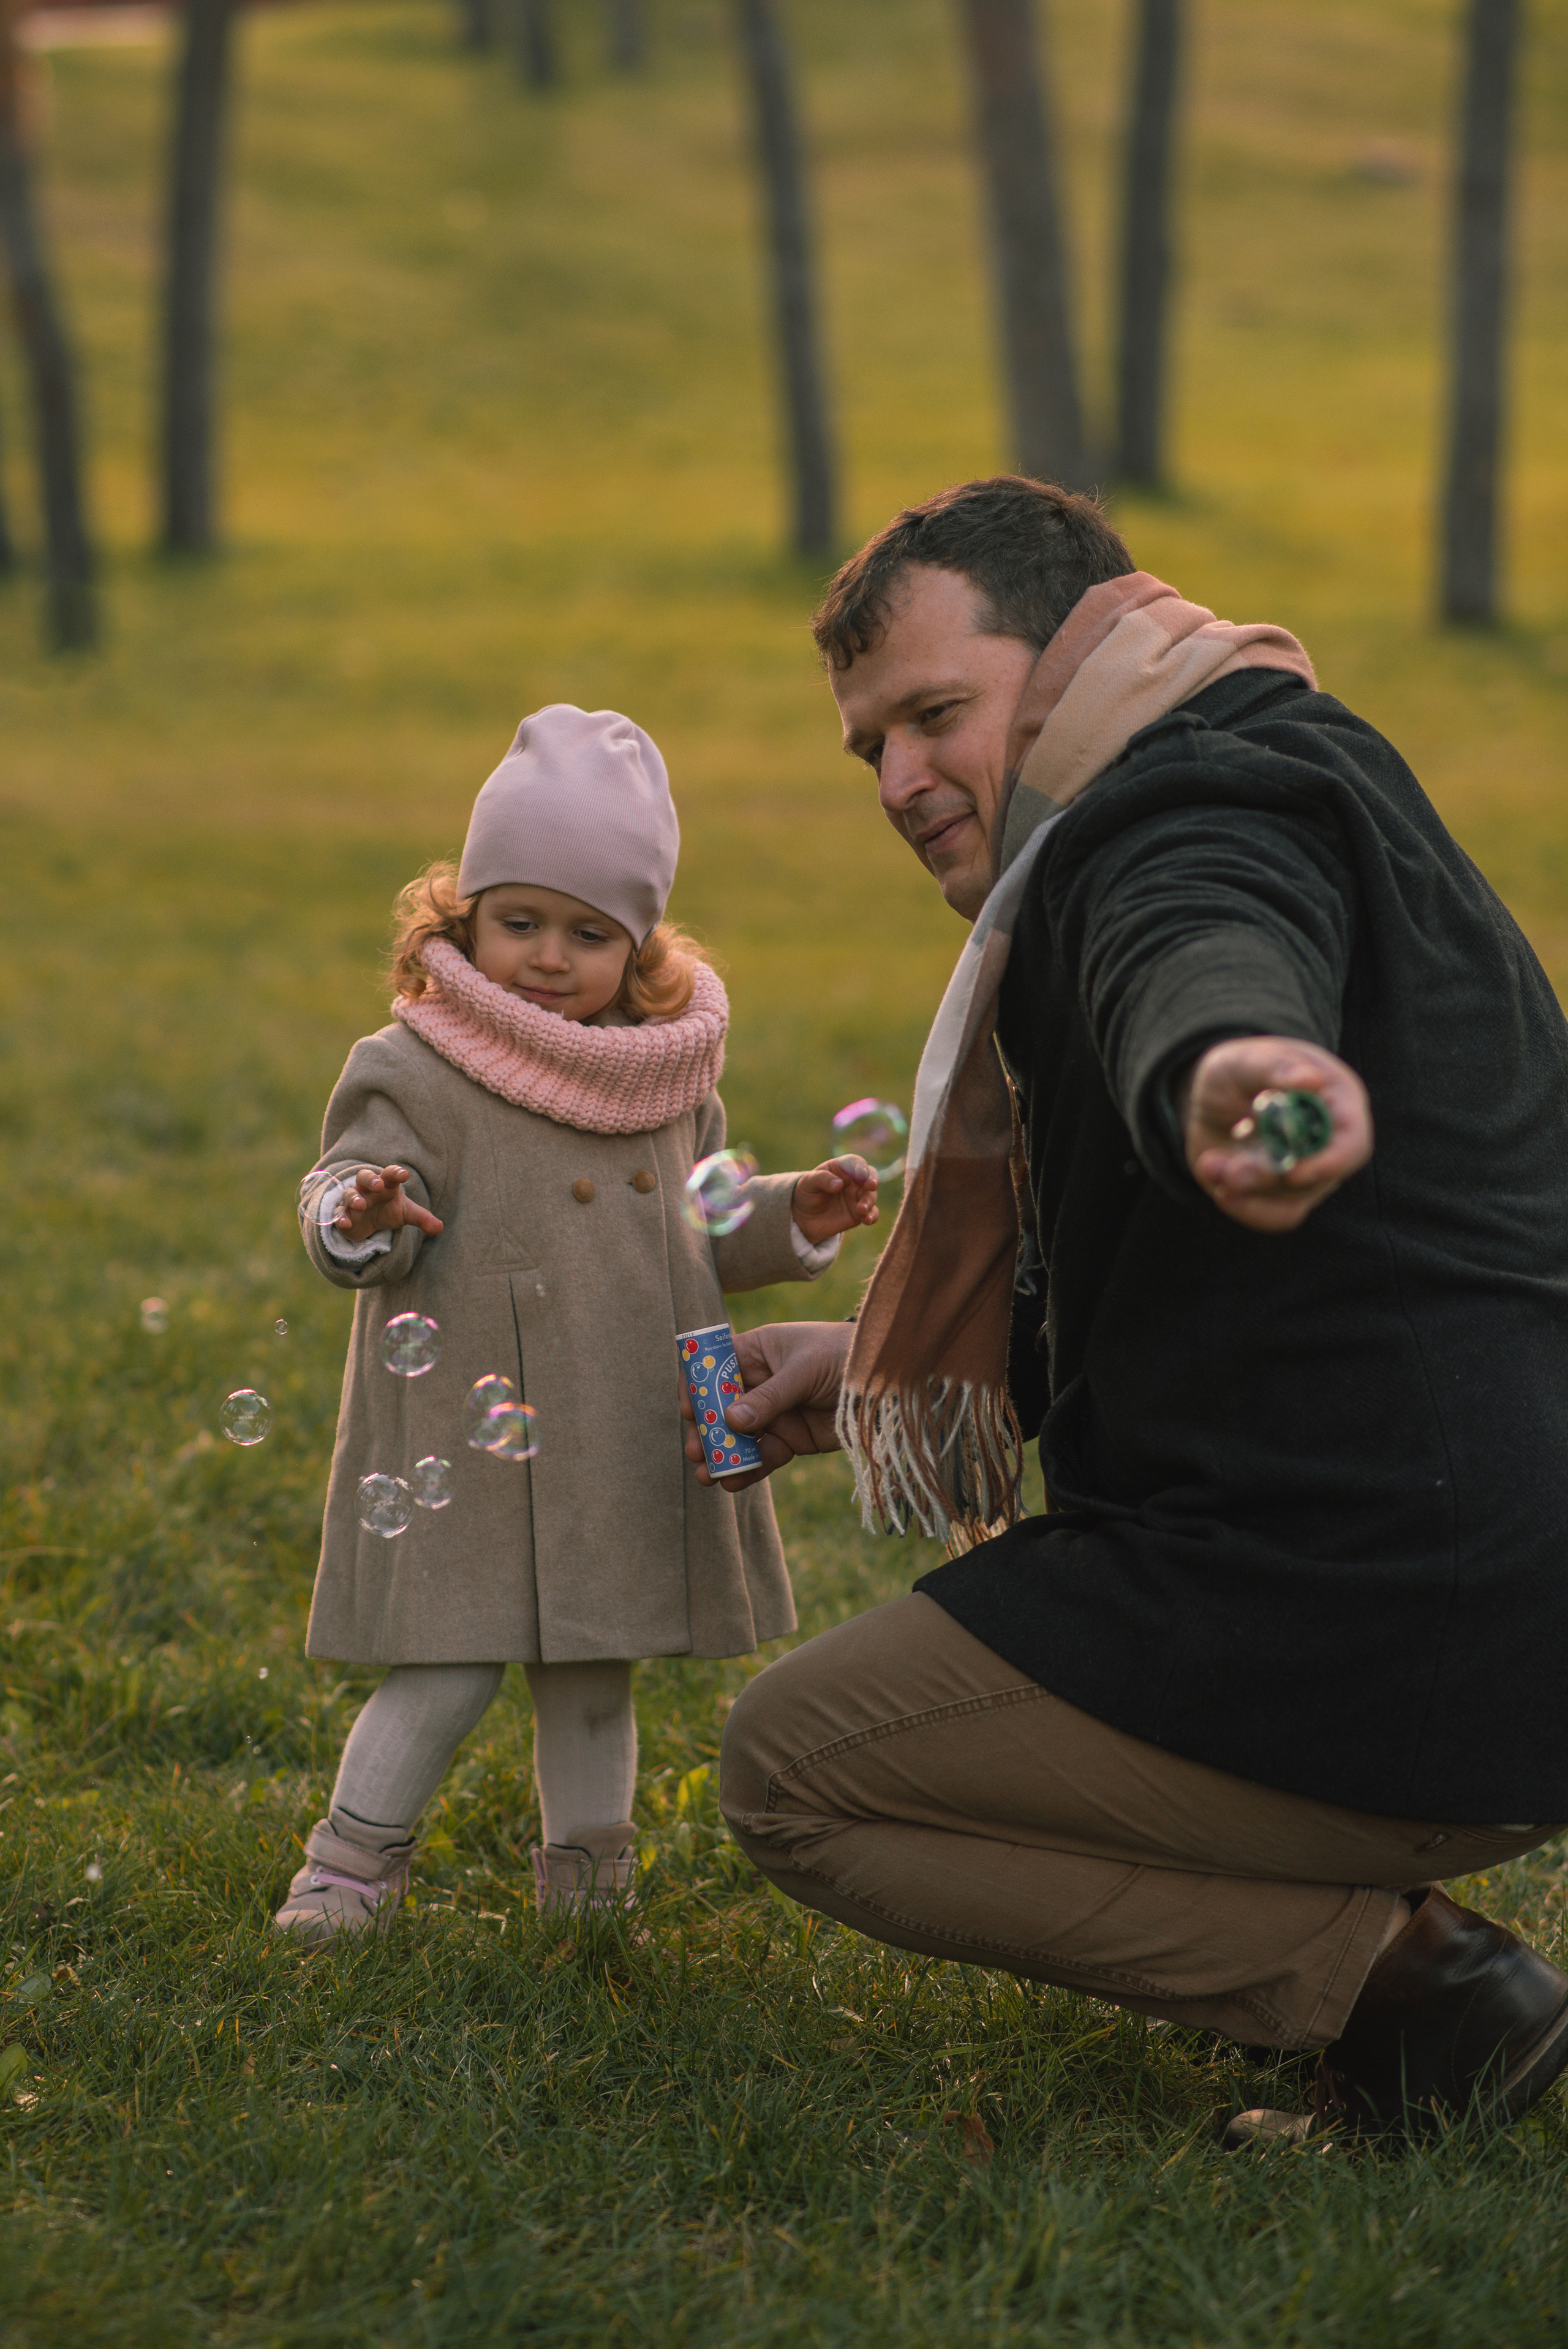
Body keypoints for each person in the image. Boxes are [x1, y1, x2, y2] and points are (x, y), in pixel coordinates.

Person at [702, 477, 1568, 2144]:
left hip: (1391, 1618)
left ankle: (1407, 1995)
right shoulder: (1291, 757)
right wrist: (919, 1365)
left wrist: (1242, 1079)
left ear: (1078, 653)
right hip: (1474, 1593)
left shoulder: (1178, 821)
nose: (895, 781)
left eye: (936, 715)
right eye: (867, 745)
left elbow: (1207, 955)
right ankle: (1397, 1967)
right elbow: (1202, 1270)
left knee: (790, 1772)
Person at [276, 703, 876, 1945]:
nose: (548, 956)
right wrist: (363, 1207)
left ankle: (590, 1888)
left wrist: (793, 1216)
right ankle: (347, 1868)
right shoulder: (417, 1064)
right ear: (465, 916)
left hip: (614, 1429)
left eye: (588, 933)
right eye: (520, 921)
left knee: (598, 1673)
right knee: (441, 1669)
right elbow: (345, 1199)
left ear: (639, 944)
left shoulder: (660, 1078)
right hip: (471, 1434)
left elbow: (706, 1220)